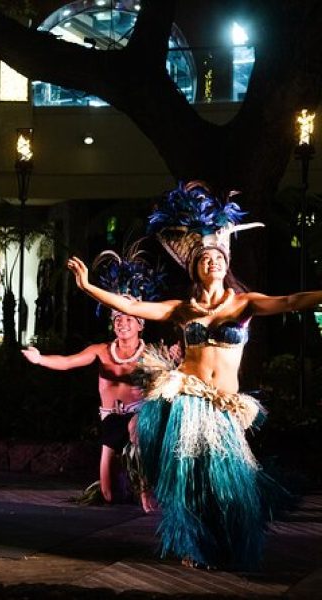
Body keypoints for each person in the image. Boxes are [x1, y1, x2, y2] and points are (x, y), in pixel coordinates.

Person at [67, 181, 299, 571]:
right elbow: (131, 304)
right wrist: (89, 286)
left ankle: (223, 541)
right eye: (206, 258)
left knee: (228, 481)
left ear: (228, 264)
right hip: (189, 399)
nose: (214, 263)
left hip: (225, 406)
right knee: (190, 480)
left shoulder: (244, 304)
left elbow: (292, 301)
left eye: (220, 258)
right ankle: (194, 545)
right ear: (195, 266)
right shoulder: (181, 308)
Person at [22, 242, 163, 512]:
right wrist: (40, 359)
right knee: (110, 494)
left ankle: (147, 484)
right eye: (118, 319)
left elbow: (170, 380)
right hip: (111, 417)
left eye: (129, 319)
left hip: (140, 418)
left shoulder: (152, 354)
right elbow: (67, 362)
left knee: (136, 425)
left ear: (140, 325)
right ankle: (127, 485)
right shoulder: (101, 351)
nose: (122, 323)